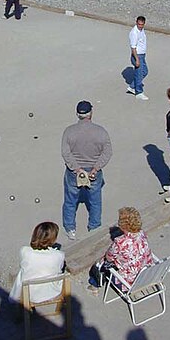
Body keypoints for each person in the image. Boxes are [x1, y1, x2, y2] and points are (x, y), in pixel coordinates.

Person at [61, 100, 112, 240]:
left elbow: (66, 153)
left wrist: (77, 169)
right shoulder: (101, 131)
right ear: (91, 113)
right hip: (93, 171)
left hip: (74, 172)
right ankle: (94, 228)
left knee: (71, 200)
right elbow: (107, 153)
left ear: (77, 114)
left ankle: (70, 228)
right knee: (95, 201)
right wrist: (96, 168)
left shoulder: (69, 131)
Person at [89, 207, 154, 291]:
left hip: (128, 282)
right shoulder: (142, 234)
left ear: (122, 226)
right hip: (146, 274)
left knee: (99, 264)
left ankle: (94, 286)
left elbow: (109, 258)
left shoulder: (120, 242)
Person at [9, 222, 65, 304]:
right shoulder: (59, 255)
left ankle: (17, 299)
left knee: (23, 271)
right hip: (52, 291)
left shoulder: (25, 251)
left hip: (29, 292)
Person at [127, 16, 149, 100]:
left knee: (144, 71)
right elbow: (133, 48)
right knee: (139, 74)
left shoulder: (141, 30)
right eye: (139, 24)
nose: (140, 26)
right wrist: (137, 59)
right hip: (137, 55)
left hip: (142, 55)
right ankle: (139, 92)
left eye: (142, 24)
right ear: (136, 22)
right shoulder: (134, 33)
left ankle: (132, 86)